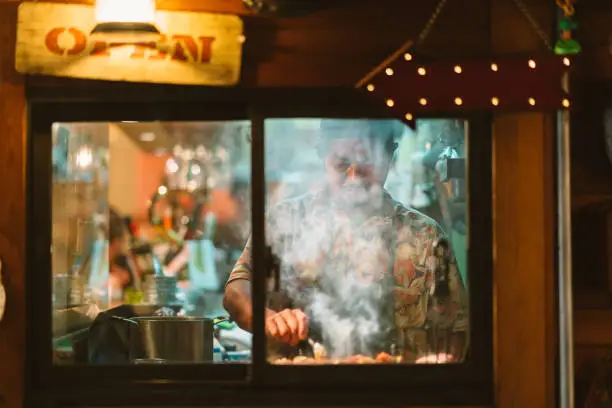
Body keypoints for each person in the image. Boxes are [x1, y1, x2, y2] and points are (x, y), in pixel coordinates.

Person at [223, 119, 468, 362]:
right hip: (297, 392)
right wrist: (268, 319)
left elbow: (455, 329)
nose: (353, 178)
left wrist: (441, 366)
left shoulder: (425, 236)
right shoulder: (284, 222)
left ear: (388, 158)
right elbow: (236, 293)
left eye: (366, 165)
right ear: (323, 156)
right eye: (341, 165)